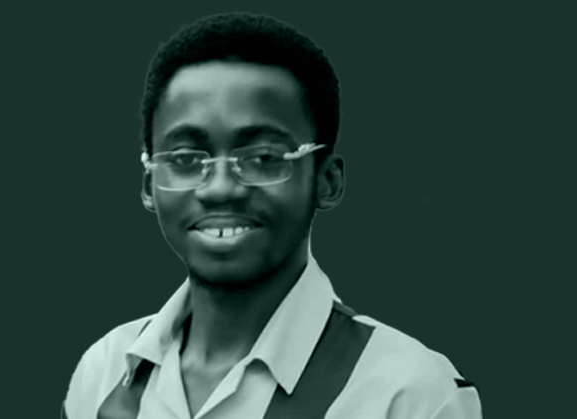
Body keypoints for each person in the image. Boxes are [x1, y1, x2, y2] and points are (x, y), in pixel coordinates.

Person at [63, 12, 483, 419]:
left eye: (263, 158)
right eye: (187, 159)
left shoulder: (411, 396)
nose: (220, 188)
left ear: (327, 180)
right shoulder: (103, 372)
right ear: (148, 185)